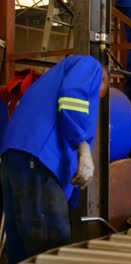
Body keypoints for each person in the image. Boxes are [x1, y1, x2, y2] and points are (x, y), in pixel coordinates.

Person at [0, 55, 109, 263]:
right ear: (103, 79)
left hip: (14, 157)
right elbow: (72, 97)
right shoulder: (90, 66)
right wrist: (83, 145)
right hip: (39, 159)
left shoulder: (50, 81)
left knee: (21, 248)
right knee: (50, 248)